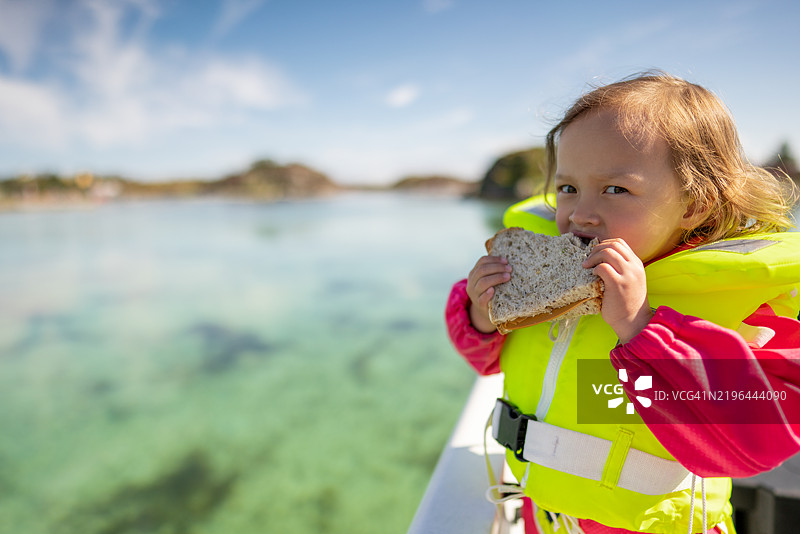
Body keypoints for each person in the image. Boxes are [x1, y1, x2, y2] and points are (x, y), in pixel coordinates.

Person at [445, 72, 800, 534]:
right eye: (568, 188)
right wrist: (480, 312)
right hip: (544, 517)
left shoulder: (736, 303)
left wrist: (641, 328)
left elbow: (761, 438)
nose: (579, 214)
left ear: (694, 204)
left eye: (615, 189)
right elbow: (486, 361)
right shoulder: (548, 272)